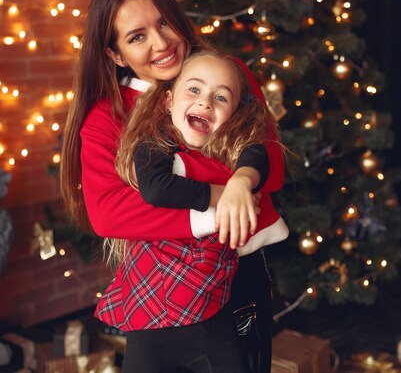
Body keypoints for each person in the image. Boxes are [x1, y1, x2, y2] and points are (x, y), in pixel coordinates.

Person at [59, 0, 284, 373]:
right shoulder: (106, 117)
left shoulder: (224, 73)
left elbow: (273, 169)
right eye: (137, 36)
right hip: (164, 288)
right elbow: (109, 213)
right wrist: (223, 195)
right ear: (115, 55)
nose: (161, 44)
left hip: (238, 278)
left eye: (164, 23)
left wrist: (241, 182)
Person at [106, 49, 288, 371]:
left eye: (221, 98)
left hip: (208, 305)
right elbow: (157, 188)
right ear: (168, 102)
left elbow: (256, 155)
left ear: (234, 114)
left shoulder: (232, 149)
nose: (206, 102)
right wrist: (222, 193)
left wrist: (242, 182)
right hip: (153, 299)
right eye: (194, 89)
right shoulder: (154, 142)